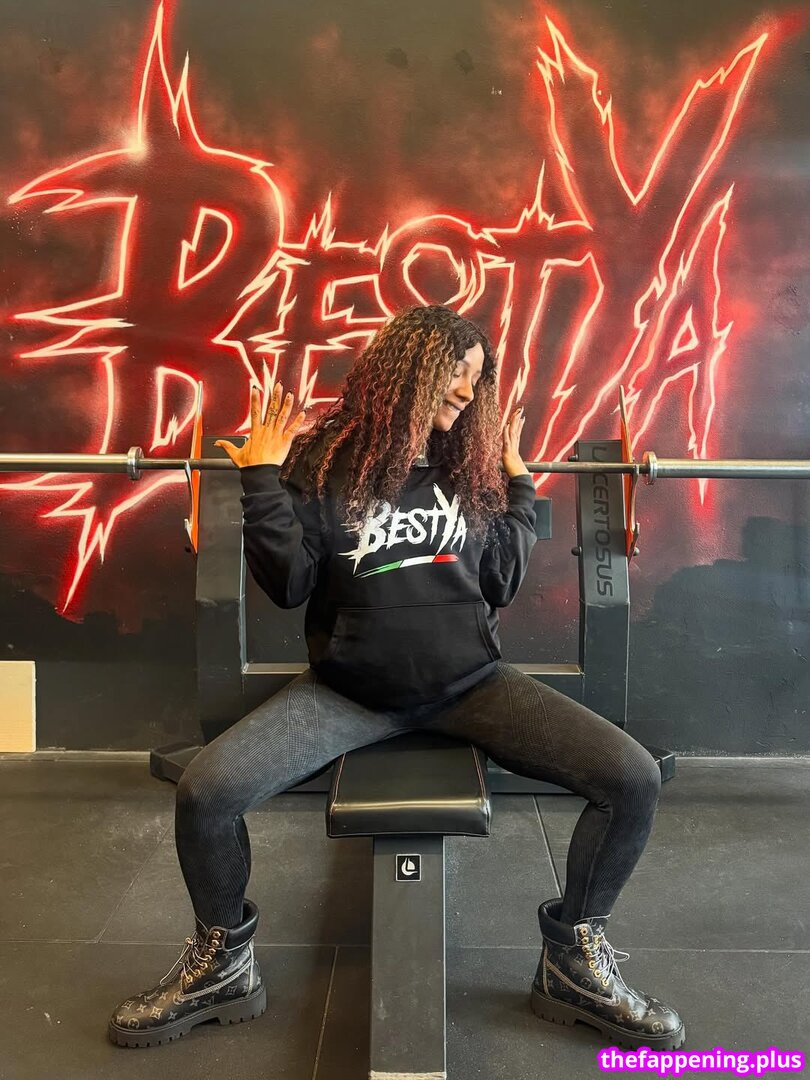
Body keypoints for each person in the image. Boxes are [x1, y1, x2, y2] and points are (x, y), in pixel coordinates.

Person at [108, 304, 684, 1051]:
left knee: (633, 778)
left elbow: (502, 582)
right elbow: (288, 584)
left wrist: (518, 486)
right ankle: (222, 966)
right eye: (455, 374)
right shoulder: (323, 463)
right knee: (206, 793)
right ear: (406, 370)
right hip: (347, 694)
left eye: (477, 380)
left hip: (473, 687)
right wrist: (260, 478)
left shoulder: (467, 466)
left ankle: (573, 961)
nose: (467, 393)